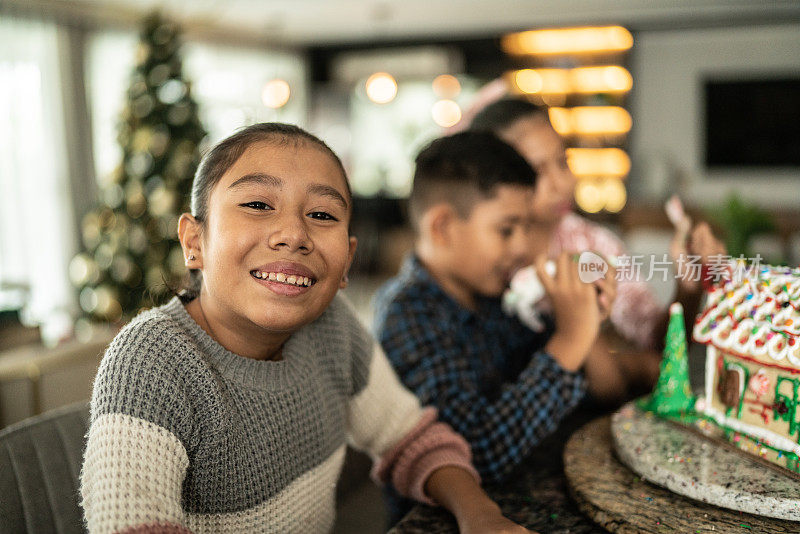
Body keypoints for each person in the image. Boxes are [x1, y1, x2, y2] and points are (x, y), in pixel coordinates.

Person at [79, 123, 532, 534]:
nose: (293, 233)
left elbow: (410, 437)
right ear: (195, 242)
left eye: (322, 215)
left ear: (348, 259)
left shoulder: (333, 325)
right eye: (258, 204)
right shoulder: (151, 361)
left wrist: (480, 513)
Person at [373, 131, 608, 523]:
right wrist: (571, 336)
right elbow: (475, 453)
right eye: (506, 229)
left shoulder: (494, 297)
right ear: (443, 226)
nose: (521, 246)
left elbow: (582, 390)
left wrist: (586, 315)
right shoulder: (408, 313)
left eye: (526, 228)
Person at [469, 98, 727, 400]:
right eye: (537, 172)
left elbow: (658, 343)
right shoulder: (482, 261)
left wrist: (689, 286)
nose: (562, 182)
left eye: (563, 162)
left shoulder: (593, 245)